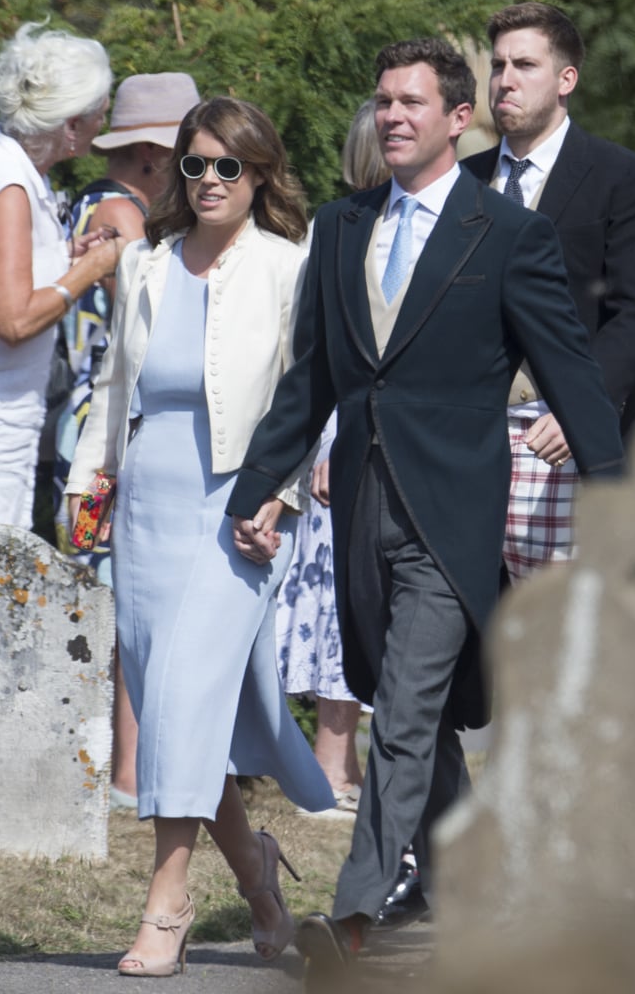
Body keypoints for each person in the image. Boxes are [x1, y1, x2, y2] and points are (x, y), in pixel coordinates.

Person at [227, 36, 624, 979]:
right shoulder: (340, 225)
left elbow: (569, 372)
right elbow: (312, 379)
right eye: (384, 103)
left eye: (413, 102)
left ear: (459, 118)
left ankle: (354, 917)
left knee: (399, 714)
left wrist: (619, 501)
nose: (393, 116)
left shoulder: (509, 234)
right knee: (426, 714)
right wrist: (260, 490)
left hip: (453, 516)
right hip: (360, 509)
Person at [66, 95, 334, 977]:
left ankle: (167, 904)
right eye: (196, 164)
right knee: (184, 713)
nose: (211, 180)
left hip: (238, 513)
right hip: (146, 509)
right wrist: (84, 480)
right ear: (178, 172)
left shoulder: (289, 266)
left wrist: (281, 499)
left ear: (260, 174)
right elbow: (115, 383)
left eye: (230, 165)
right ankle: (258, 880)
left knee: (181, 700)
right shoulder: (143, 262)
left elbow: (310, 393)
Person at [463, 1, 635, 582]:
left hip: (565, 443)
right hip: (467, 443)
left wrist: (583, 405)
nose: (505, 80)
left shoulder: (618, 175)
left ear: (566, 79)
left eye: (524, 65)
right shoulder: (463, 182)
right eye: (498, 65)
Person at [53, 71, 201, 810]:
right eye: (189, 152)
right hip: (100, 429)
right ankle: (124, 773)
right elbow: (162, 305)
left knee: (109, 588)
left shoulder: (102, 205)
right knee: (117, 592)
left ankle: (117, 768)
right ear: (153, 153)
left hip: (91, 422)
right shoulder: (119, 208)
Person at [276, 99, 390, 819]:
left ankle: (340, 761)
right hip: (345, 432)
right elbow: (334, 352)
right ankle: (328, 765)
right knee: (337, 593)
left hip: (369, 430)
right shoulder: (349, 230)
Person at [0, 22, 123, 528]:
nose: (105, 122)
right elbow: (11, 320)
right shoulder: (9, 185)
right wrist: (91, 269)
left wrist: (66, 256)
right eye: (101, 111)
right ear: (71, 124)